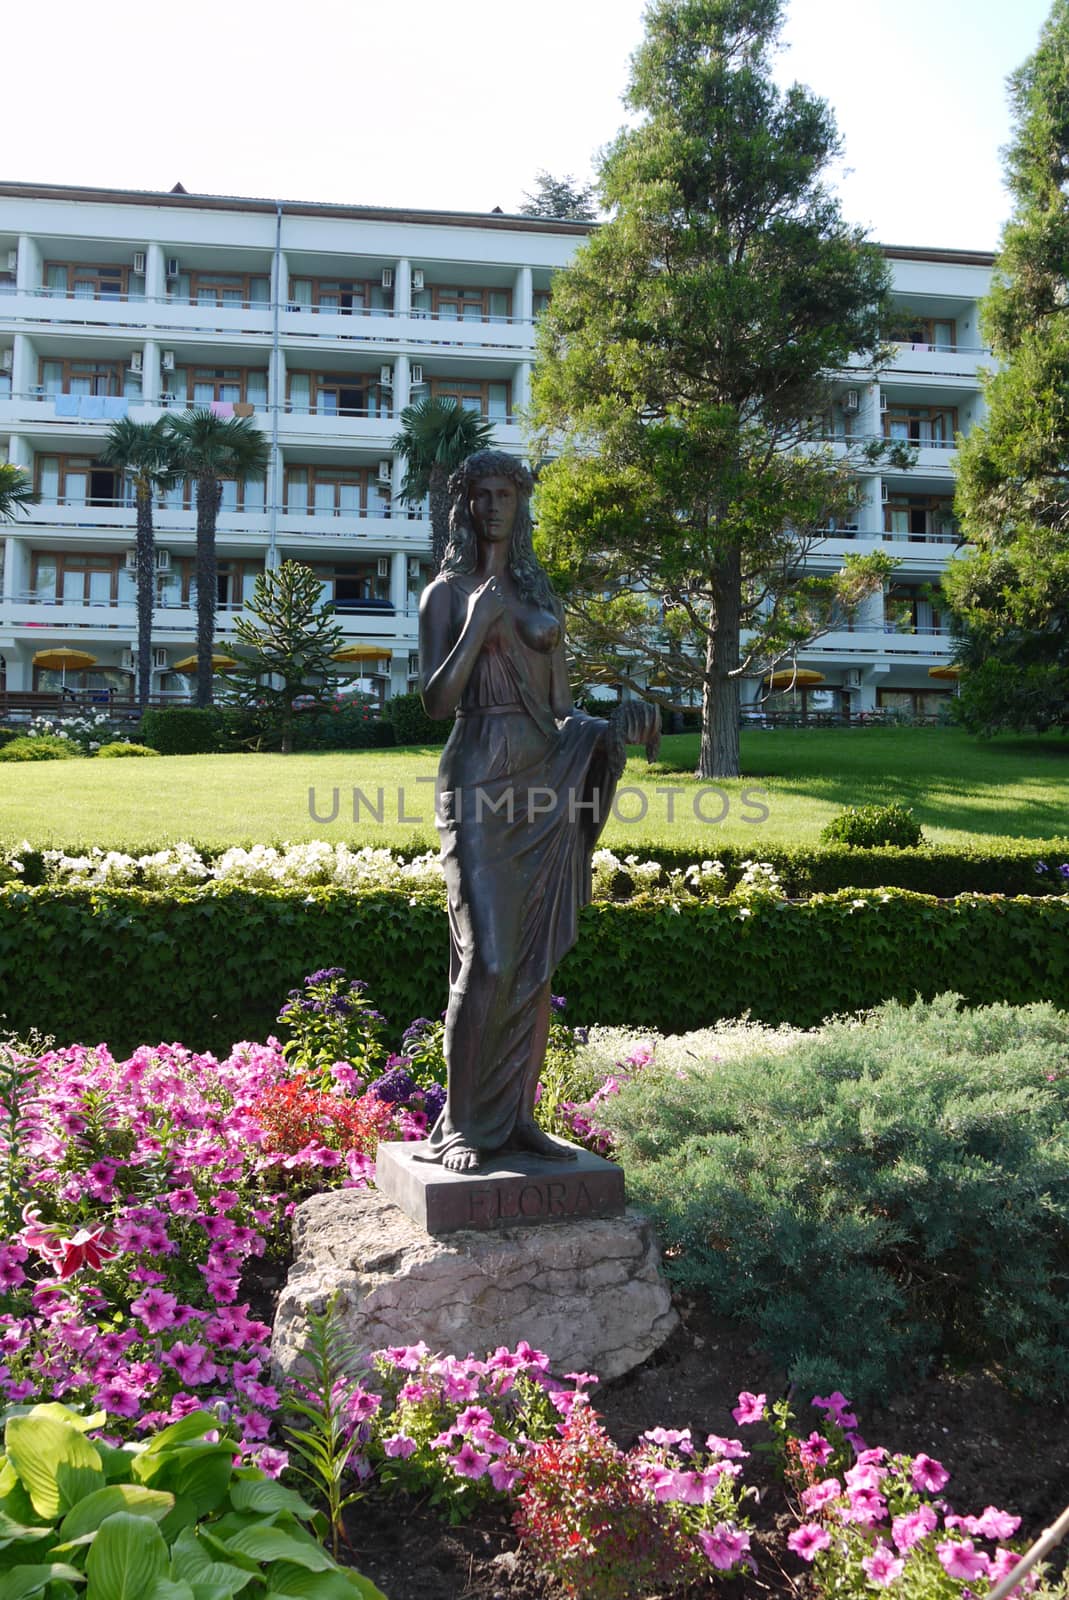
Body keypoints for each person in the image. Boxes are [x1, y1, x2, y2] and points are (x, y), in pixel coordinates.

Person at [418, 450, 657, 1173]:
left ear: (520, 505)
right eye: (481, 495)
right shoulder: (446, 592)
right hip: (476, 782)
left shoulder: (536, 591)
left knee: (529, 962)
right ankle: (461, 1126)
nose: (493, 506)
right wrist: (474, 624)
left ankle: (517, 1121)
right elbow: (435, 702)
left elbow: (559, 711)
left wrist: (612, 727)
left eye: (505, 494)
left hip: (543, 780)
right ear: (464, 506)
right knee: (487, 957)